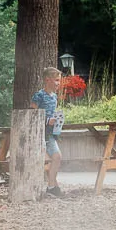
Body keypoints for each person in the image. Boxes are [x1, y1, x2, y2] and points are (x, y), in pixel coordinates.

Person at [32, 66, 67, 197]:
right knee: (51, 159)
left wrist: (57, 121)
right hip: (39, 134)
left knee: (57, 157)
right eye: (56, 80)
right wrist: (47, 121)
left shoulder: (54, 97)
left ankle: (51, 186)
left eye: (59, 80)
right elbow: (32, 116)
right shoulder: (39, 95)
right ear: (48, 80)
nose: (58, 83)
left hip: (51, 134)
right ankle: (52, 186)